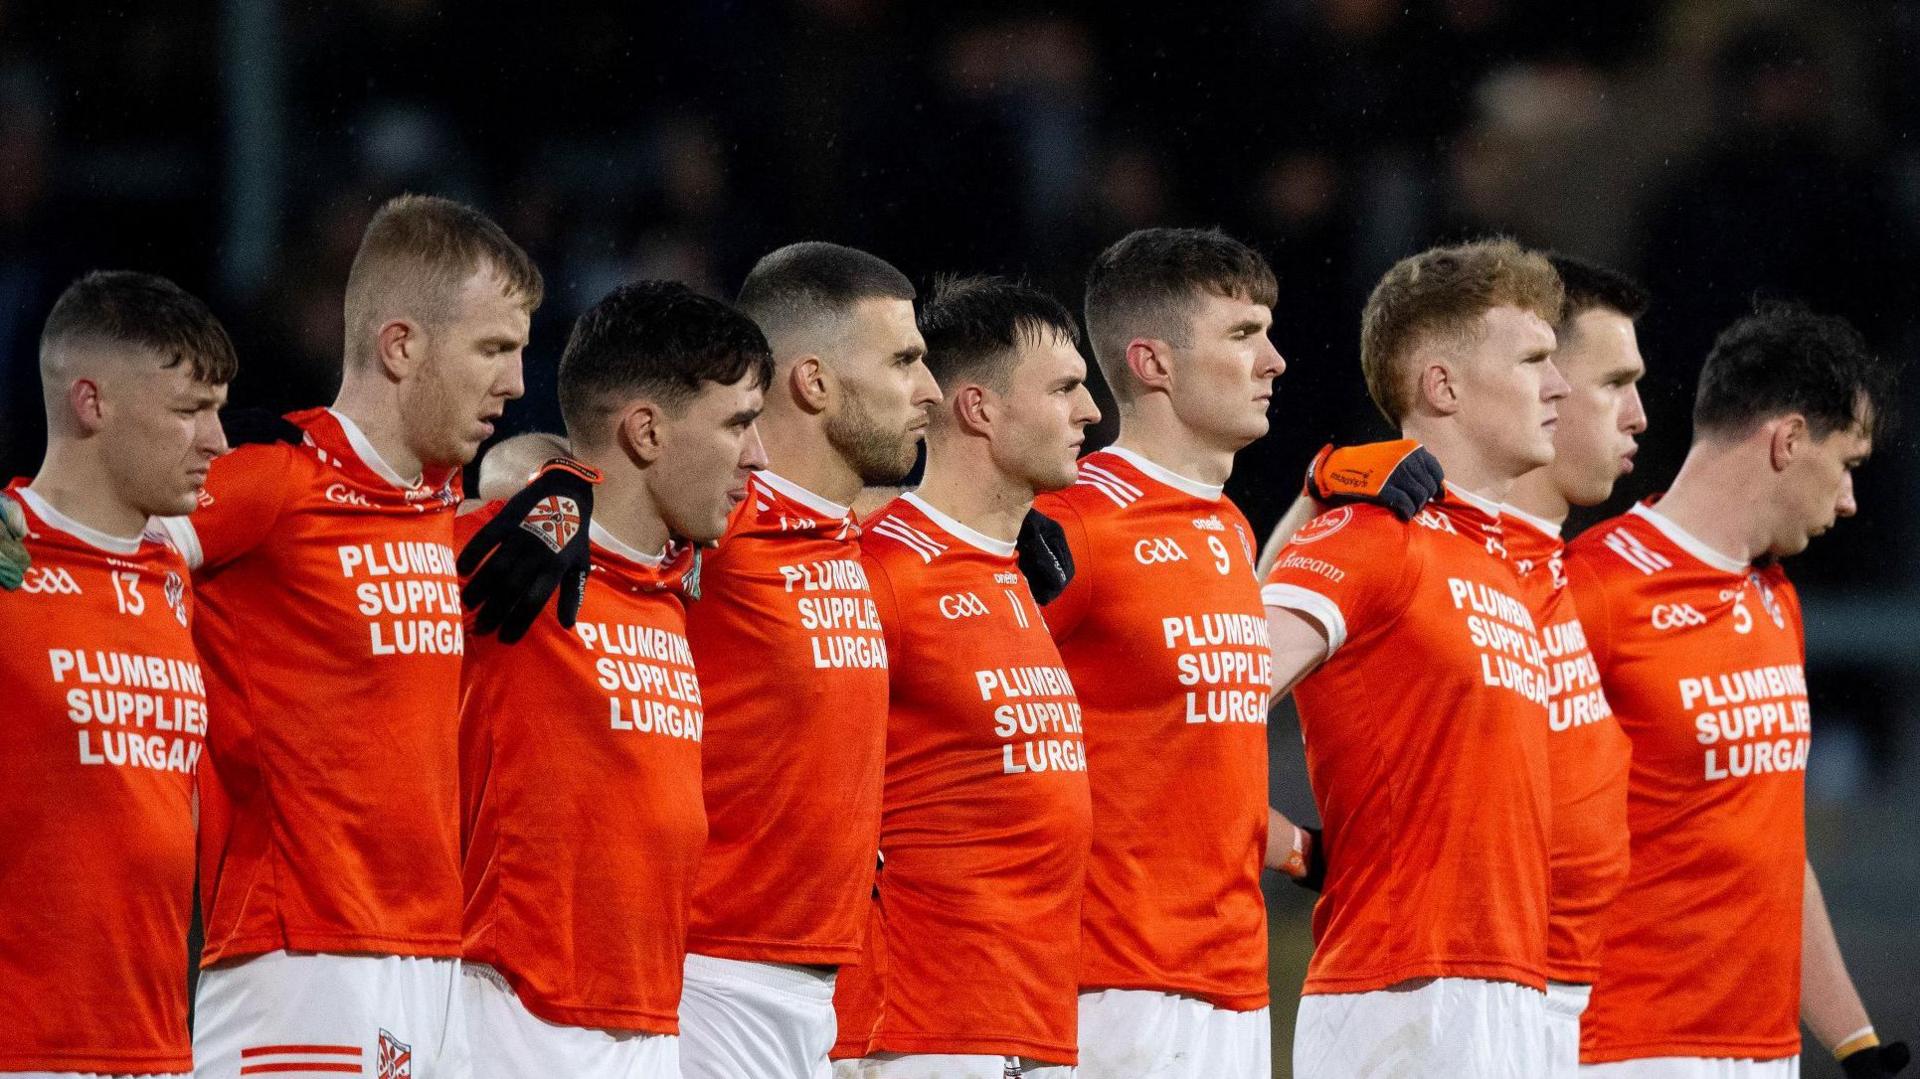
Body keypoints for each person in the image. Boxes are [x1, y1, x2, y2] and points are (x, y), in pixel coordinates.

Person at [154, 194, 543, 1079]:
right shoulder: (271, 488)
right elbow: (88, 538)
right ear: (400, 345)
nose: (517, 381)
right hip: (299, 959)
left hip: (433, 962)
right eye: (493, 348)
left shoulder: (442, 519)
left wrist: (564, 488)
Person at [1567, 303, 1910, 1079]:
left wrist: (1854, 1040)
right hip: (1623, 1049)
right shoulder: (1595, 588)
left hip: (1764, 1052)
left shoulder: (1774, 597)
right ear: (1788, 440)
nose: (1851, 500)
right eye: (1848, 463)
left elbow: (1773, 848)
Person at [1263, 238, 1568, 1077]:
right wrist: (1285, 843)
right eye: (1535, 358)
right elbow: (1208, 695)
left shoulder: (1496, 561)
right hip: (1406, 997)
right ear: (1443, 385)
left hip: (1507, 992)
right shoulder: (1370, 532)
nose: (1560, 384)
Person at [457, 281, 772, 1077]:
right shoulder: (511, 560)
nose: (758, 454)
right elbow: (464, 482)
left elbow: (848, 503)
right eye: (739, 423)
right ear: (647, 430)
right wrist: (550, 491)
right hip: (513, 1018)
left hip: (653, 1021)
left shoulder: (683, 566)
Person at [677, 241, 941, 1079]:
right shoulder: (713, 528)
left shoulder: (846, 532)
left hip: (825, 988)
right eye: (903, 360)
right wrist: (552, 487)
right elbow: (576, 481)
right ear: (814, 382)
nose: (928, 391)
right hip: (711, 978)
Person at [829, 276, 1100, 1079]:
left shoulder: (1016, 570)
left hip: (1031, 1023)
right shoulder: (881, 572)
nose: (1089, 411)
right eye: (1064, 388)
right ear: (977, 408)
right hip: (919, 1033)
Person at [1034, 227, 1284, 1078]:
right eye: (1243, 335)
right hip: (1113, 990)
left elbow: (1188, 749)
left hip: (1235, 981)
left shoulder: (1230, 526)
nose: (1275, 360)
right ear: (1152, 363)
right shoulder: (1076, 524)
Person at [0, 271, 234, 1078]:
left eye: (218, 408)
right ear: (91, 403)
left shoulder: (174, 568)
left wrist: (563, 490)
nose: (217, 440)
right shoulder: (7, 561)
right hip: (26, 1045)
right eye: (187, 411)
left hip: (159, 1045)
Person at [1496, 254, 1649, 1076]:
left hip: (1568, 1006)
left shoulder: (1562, 571)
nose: (1639, 417)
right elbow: (1233, 695)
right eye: (1614, 382)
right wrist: (1296, 846)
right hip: (1468, 1002)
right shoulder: (1428, 554)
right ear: (1541, 384)